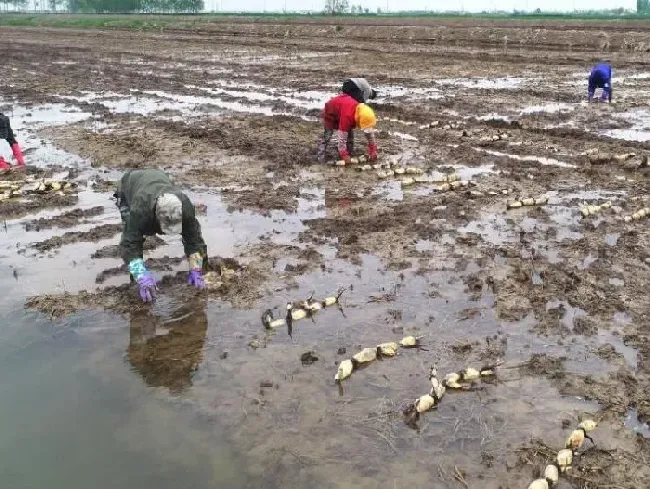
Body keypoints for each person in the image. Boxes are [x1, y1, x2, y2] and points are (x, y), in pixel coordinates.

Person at [114, 169, 208, 303]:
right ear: (156, 218)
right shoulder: (140, 210)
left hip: (158, 178)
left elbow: (195, 240)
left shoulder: (185, 207)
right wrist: (140, 275)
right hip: (129, 185)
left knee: (194, 242)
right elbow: (129, 245)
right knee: (133, 238)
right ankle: (138, 284)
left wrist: (196, 268)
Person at [316, 93, 378, 164]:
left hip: (343, 111)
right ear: (359, 119)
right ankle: (320, 157)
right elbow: (342, 138)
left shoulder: (363, 113)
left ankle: (349, 153)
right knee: (327, 135)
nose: (366, 129)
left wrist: (373, 150)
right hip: (330, 112)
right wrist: (344, 155)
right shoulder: (347, 117)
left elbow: (369, 134)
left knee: (350, 135)